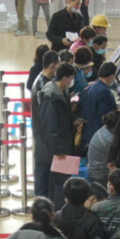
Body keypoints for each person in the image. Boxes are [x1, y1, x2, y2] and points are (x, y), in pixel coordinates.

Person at [37, 63, 78, 209]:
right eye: (72, 79)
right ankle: (57, 214)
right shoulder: (51, 96)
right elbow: (50, 127)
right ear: (66, 78)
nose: (72, 82)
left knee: (61, 184)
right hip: (55, 152)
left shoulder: (61, 92)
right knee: (58, 186)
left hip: (61, 148)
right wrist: (59, 149)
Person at [30, 50, 59, 196]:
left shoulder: (42, 80)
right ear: (52, 65)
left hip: (41, 134)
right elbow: (46, 114)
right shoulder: (43, 86)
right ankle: (41, 205)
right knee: (43, 172)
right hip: (43, 136)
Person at [79, 61, 118, 150]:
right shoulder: (105, 92)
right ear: (112, 76)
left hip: (89, 132)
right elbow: (108, 117)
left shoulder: (92, 87)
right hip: (98, 136)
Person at [88, 110, 120, 188]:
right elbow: (118, 158)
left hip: (95, 169)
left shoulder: (105, 128)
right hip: (100, 175)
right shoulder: (109, 140)